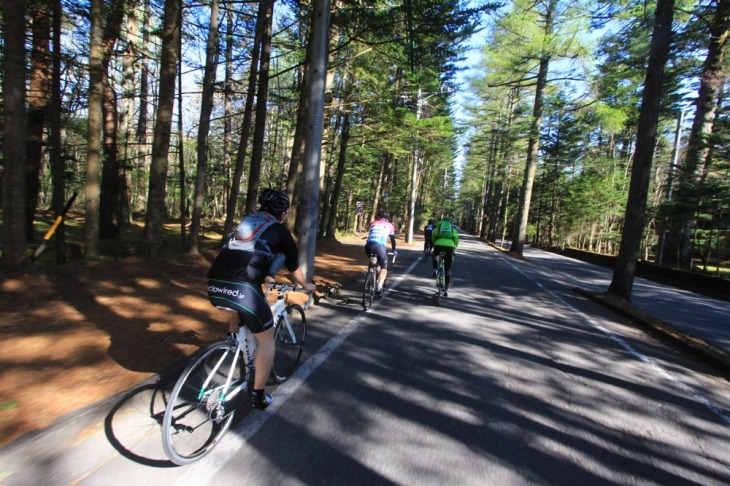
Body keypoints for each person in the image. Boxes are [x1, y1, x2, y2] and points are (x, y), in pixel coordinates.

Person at [206, 188, 316, 410]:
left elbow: (243, 255)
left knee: (241, 307)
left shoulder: (246, 224)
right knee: (266, 340)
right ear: (282, 213)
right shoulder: (279, 231)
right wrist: (306, 285)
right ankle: (258, 396)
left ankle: (232, 338)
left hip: (214, 284)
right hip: (244, 287)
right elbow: (294, 268)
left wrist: (264, 273)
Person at [364, 210, 397, 296]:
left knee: (373, 261)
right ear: (387, 218)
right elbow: (393, 241)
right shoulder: (390, 225)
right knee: (384, 268)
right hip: (380, 247)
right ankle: (379, 285)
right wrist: (394, 250)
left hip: (368, 246)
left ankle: (370, 276)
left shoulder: (372, 223)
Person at [431, 217, 459, 297]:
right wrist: (454, 247)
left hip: (438, 245)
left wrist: (434, 244)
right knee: (448, 269)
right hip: (449, 247)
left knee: (435, 255)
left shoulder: (439, 227)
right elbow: (456, 239)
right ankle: (446, 288)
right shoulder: (452, 229)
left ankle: (435, 269)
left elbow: (433, 236)